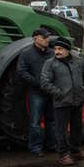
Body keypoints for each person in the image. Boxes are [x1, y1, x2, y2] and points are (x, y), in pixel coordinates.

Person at [40, 37, 84, 166]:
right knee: (61, 130)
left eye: (60, 49)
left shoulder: (78, 62)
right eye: (56, 49)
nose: (57, 51)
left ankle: (75, 150)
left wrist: (83, 91)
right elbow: (45, 82)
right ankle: (63, 154)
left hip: (77, 101)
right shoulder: (50, 64)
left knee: (77, 128)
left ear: (67, 50)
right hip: (61, 103)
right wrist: (59, 94)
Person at [17, 28, 57, 156]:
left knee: (52, 121)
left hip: (51, 92)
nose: (47, 40)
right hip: (36, 92)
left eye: (47, 37)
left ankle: (52, 145)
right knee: (35, 121)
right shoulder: (26, 54)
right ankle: (36, 148)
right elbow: (22, 72)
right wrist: (38, 83)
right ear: (35, 39)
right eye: (44, 37)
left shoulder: (52, 53)